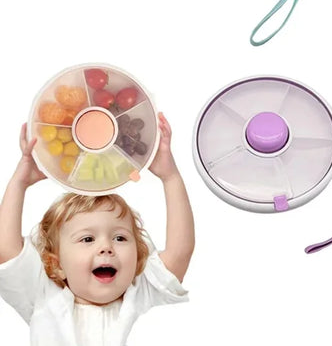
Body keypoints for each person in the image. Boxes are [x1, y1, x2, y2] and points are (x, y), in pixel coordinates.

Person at [0, 113, 194, 346]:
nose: (106, 247)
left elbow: (179, 253)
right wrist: (19, 183)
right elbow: (6, 250)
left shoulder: (142, 296)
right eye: (87, 239)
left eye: (120, 237)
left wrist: (170, 177)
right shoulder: (43, 297)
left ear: (138, 256)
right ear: (57, 264)